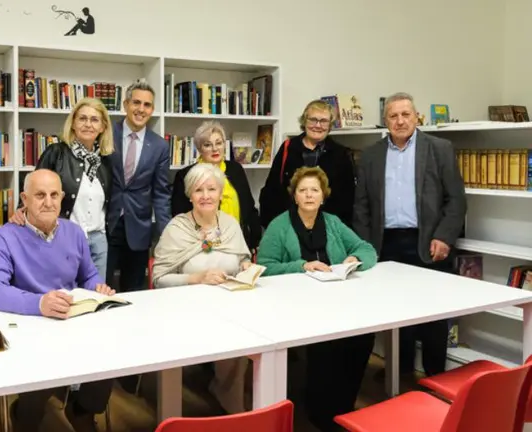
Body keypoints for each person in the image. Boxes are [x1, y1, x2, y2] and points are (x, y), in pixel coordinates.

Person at [0, 169, 115, 432]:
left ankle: (82, 411)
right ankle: (25, 417)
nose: (48, 202)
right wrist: (39, 304)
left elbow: (88, 275)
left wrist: (97, 287)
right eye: (40, 195)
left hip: (70, 321)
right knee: (43, 374)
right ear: (24, 199)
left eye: (54, 195)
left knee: (109, 358)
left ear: (63, 197)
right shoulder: (4, 237)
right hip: (29, 327)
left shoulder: (74, 232)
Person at [353, 92, 466, 379]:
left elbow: (456, 200)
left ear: (417, 117)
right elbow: (361, 206)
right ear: (385, 121)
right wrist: (366, 247)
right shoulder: (371, 155)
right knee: (395, 313)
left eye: (406, 114)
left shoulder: (440, 149)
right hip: (386, 245)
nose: (400, 121)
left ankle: (435, 377)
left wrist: (444, 237)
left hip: (428, 242)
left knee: (433, 314)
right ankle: (399, 374)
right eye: (393, 116)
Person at [257, 166, 378, 432]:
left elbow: (366, 248)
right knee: (326, 345)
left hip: (335, 300)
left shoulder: (333, 222)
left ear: (323, 195)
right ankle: (320, 412)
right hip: (295, 303)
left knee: (362, 337)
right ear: (295, 196)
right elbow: (264, 266)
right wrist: (302, 266)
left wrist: (355, 258)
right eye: (303, 190)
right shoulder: (280, 225)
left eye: (315, 190)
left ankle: (344, 405)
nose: (309, 195)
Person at [152, 163, 252, 414]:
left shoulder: (230, 224)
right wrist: (196, 278)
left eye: (211, 189)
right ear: (190, 195)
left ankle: (229, 396)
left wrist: (246, 266)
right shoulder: (176, 228)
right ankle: (172, 412)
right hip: (186, 310)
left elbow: (242, 259)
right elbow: (159, 278)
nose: (206, 196)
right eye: (199, 190)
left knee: (246, 332)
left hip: (229, 306)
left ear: (220, 193)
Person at [9, 97, 114, 279]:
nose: (88, 124)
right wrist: (22, 209)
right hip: (64, 238)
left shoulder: (106, 161)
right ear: (73, 123)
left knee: (97, 291)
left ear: (103, 127)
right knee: (65, 291)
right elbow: (34, 186)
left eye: (94, 120)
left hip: (98, 240)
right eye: (82, 118)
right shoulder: (56, 153)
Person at [107, 81, 171, 292]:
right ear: (126, 104)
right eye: (136, 102)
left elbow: (161, 193)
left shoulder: (160, 146)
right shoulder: (106, 133)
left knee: (134, 291)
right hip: (107, 223)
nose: (141, 109)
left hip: (139, 229)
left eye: (147, 105)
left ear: (152, 110)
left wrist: (165, 234)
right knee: (101, 286)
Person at [259, 99, 357, 229]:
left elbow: (348, 198)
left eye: (323, 121)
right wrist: (272, 226)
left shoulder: (341, 154)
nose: (318, 125)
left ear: (330, 125)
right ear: (304, 121)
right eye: (313, 120)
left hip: (328, 228)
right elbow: (272, 190)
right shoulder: (288, 148)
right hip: (289, 227)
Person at [171, 121, 261, 252]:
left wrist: (255, 241)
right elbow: (180, 215)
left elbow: (249, 207)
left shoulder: (236, 169)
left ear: (225, 145)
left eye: (219, 143)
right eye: (207, 145)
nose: (215, 149)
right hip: (203, 245)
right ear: (199, 149)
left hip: (238, 242)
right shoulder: (186, 175)